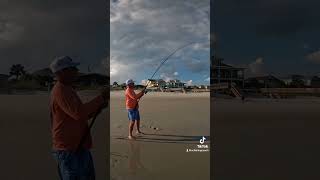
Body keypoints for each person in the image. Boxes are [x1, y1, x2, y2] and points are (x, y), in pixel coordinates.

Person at [49, 56, 108, 180]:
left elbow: (81, 115)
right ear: (61, 72)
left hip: (79, 146)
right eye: (73, 68)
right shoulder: (60, 90)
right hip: (68, 150)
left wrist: (99, 107)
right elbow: (79, 113)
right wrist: (101, 97)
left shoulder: (68, 89)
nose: (76, 70)